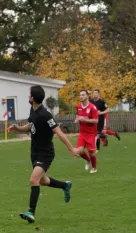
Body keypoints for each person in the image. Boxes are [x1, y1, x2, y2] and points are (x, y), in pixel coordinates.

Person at [8, 85, 79, 224]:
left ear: (33, 98)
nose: (28, 97)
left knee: (33, 180)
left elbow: (59, 133)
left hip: (45, 153)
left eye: (29, 95)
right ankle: (65, 186)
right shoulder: (33, 110)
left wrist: (71, 149)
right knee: (43, 181)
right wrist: (17, 128)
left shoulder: (45, 115)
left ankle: (31, 212)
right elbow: (29, 126)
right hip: (34, 152)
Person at [75, 90, 99, 173]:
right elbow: (78, 115)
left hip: (91, 133)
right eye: (80, 95)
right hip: (82, 133)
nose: (81, 96)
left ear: (87, 96)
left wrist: (85, 119)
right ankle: (88, 160)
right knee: (79, 151)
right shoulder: (78, 106)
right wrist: (77, 119)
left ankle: (94, 168)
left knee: (91, 152)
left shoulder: (93, 107)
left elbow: (96, 121)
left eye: (83, 95)